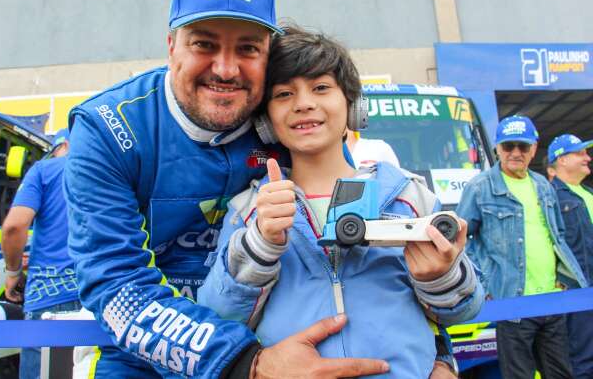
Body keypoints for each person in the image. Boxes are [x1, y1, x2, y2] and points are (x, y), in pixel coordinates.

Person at [64, 0, 388, 378]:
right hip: (150, 359)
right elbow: (116, 286)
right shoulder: (109, 128)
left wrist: (434, 354)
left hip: (280, 344)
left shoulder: (289, 122)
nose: (225, 69)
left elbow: (365, 253)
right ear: (171, 46)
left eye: (248, 48)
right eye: (204, 43)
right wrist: (250, 366)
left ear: (268, 55)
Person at [198, 26, 483, 378]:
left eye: (321, 88)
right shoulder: (251, 209)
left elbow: (464, 310)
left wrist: (441, 277)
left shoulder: (408, 196)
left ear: (353, 105)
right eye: (284, 94)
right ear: (266, 121)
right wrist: (259, 244)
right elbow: (218, 316)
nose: (304, 104)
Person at [456, 115, 588, 379]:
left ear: (534, 149)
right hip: (511, 301)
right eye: (508, 146)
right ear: (497, 149)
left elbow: (557, 234)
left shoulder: (542, 185)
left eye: (523, 147)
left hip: (551, 299)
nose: (516, 153)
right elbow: (460, 240)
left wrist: (562, 277)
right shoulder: (480, 187)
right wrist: (484, 282)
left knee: (561, 374)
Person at [1, 129, 81, 379]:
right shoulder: (110, 171)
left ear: (62, 146)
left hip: (49, 296)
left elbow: (14, 227)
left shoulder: (44, 170)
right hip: (98, 295)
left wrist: (13, 272)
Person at [548, 134, 593, 379]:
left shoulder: (587, 193)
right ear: (562, 160)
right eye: (580, 153)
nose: (587, 157)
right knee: (582, 360)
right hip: (577, 293)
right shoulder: (550, 197)